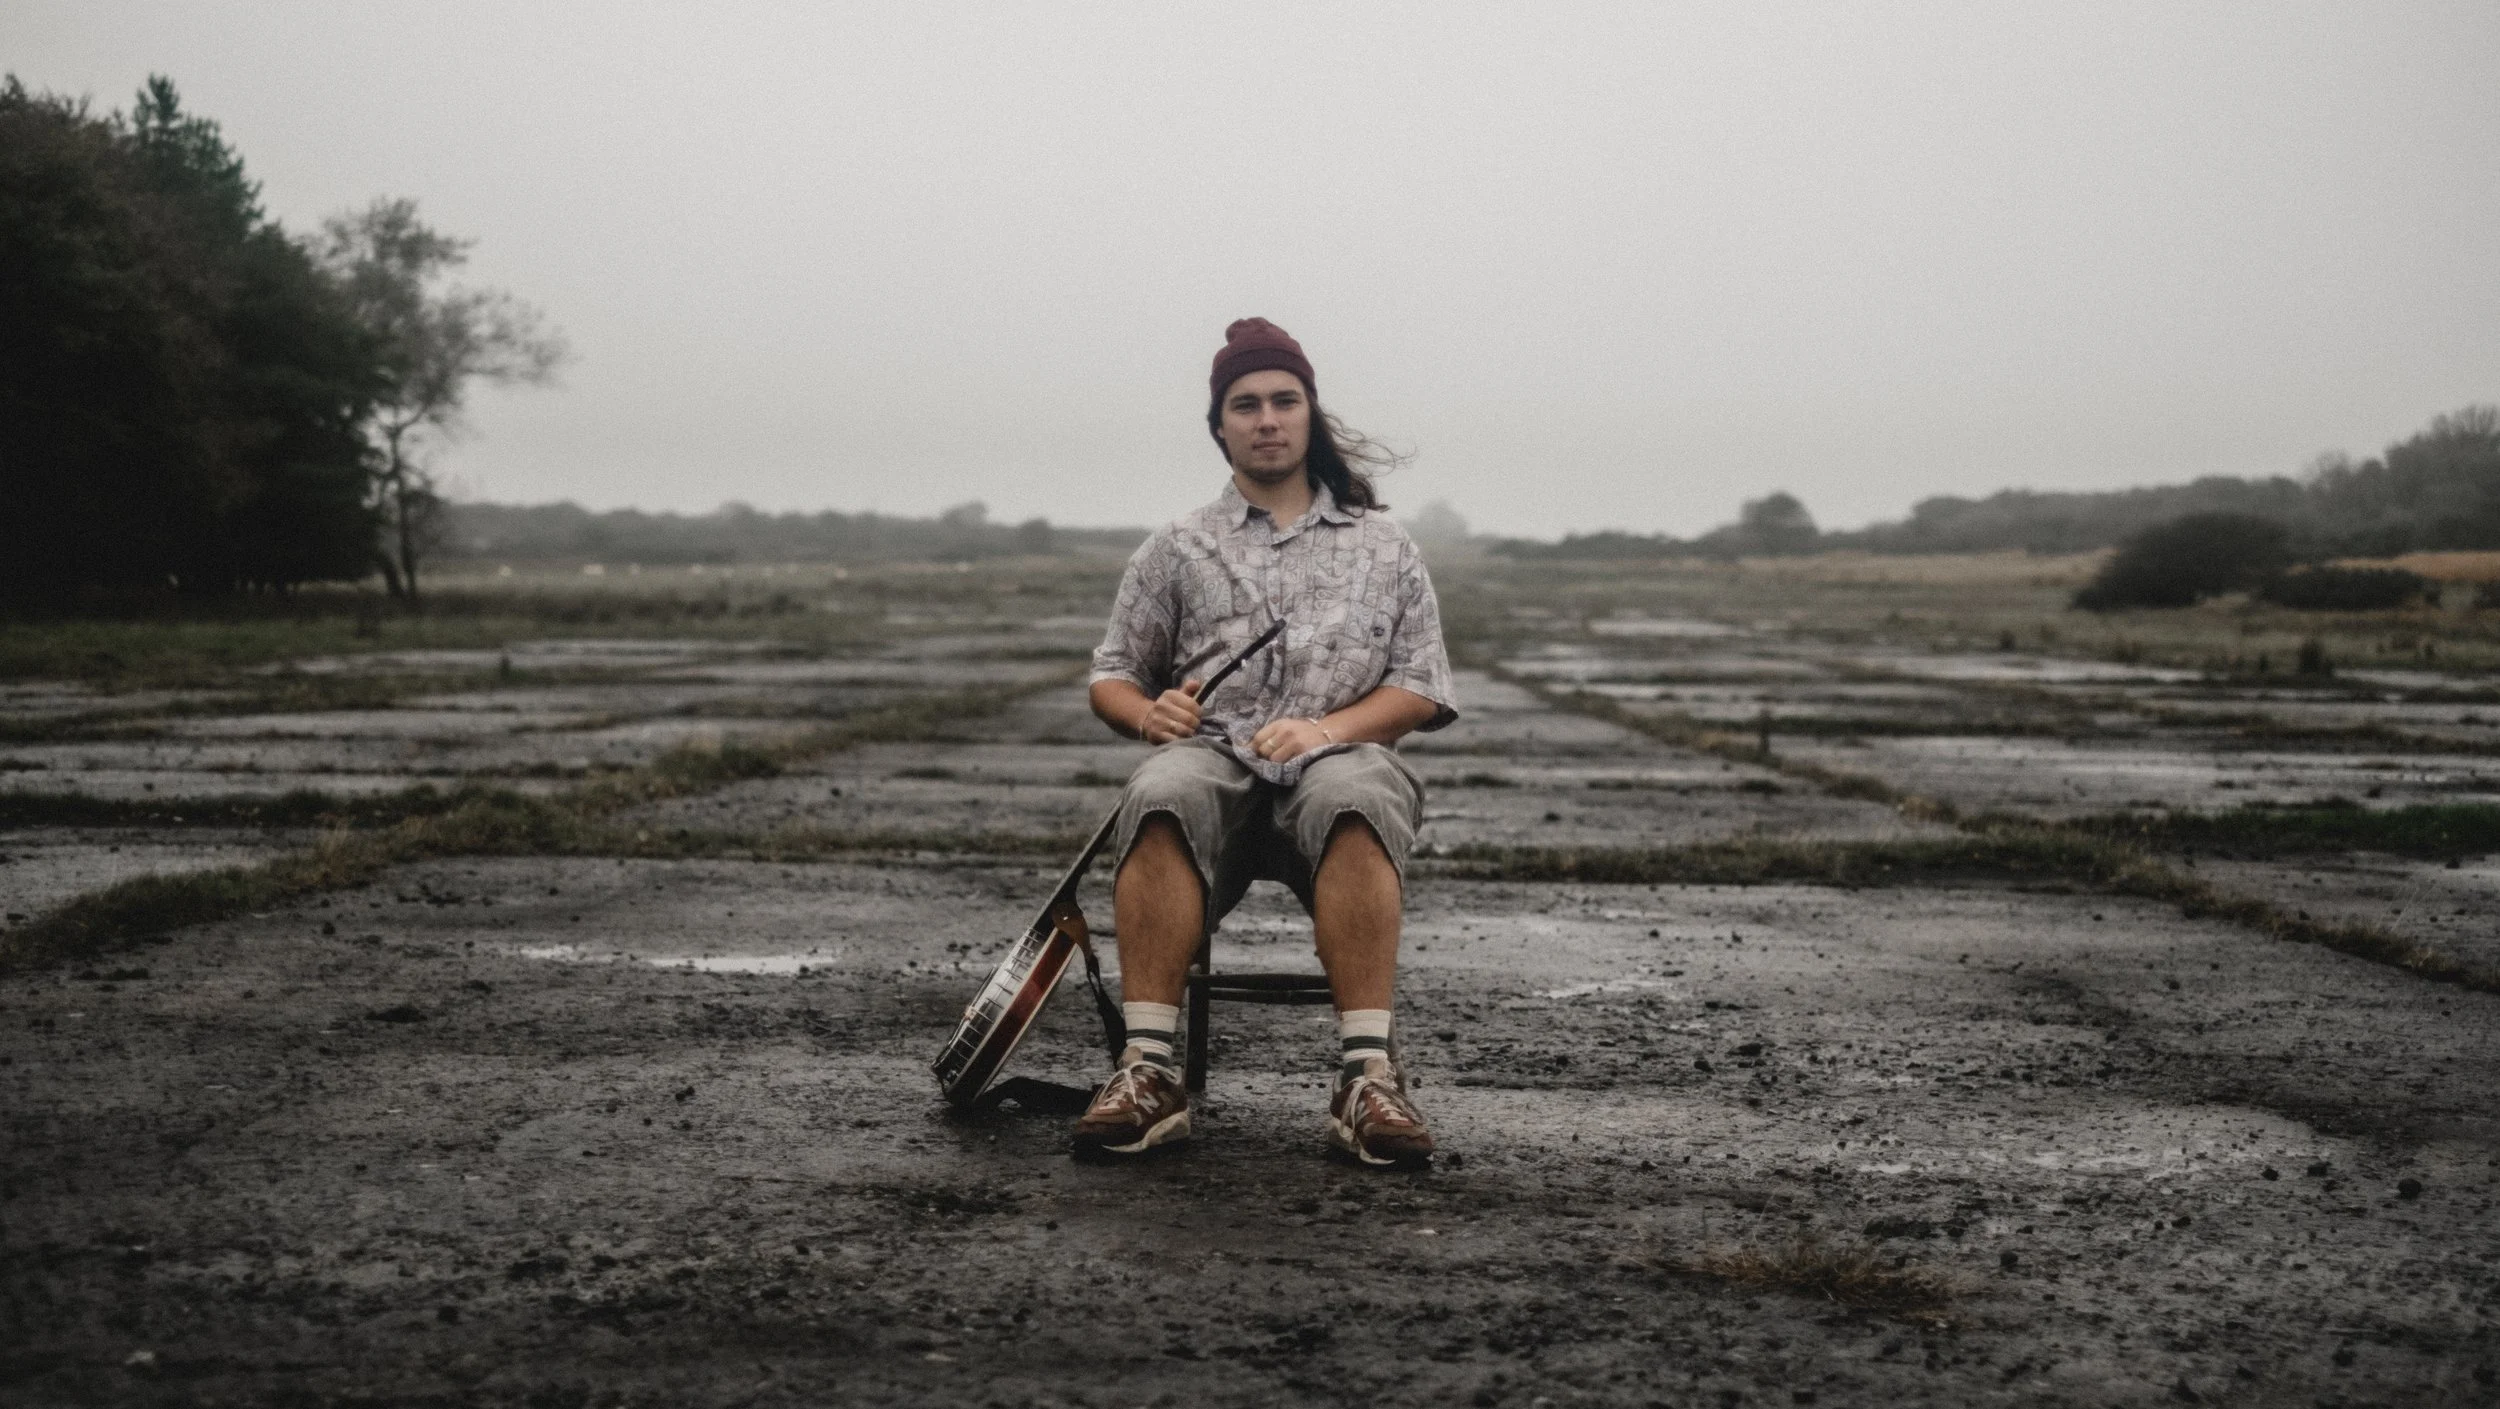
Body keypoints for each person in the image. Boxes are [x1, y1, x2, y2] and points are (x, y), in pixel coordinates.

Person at [1077, 317, 1457, 1166]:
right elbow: (1111, 674)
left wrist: (1327, 729)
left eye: (1285, 400)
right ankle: (1148, 1070)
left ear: (1311, 413)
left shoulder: (1384, 544)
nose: (1267, 418)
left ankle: (1367, 1077)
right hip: (1215, 760)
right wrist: (1147, 716)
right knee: (1162, 786)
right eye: (1245, 405)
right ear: (1220, 427)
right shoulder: (1178, 547)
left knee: (1356, 786)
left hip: (1337, 758)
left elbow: (1423, 689)